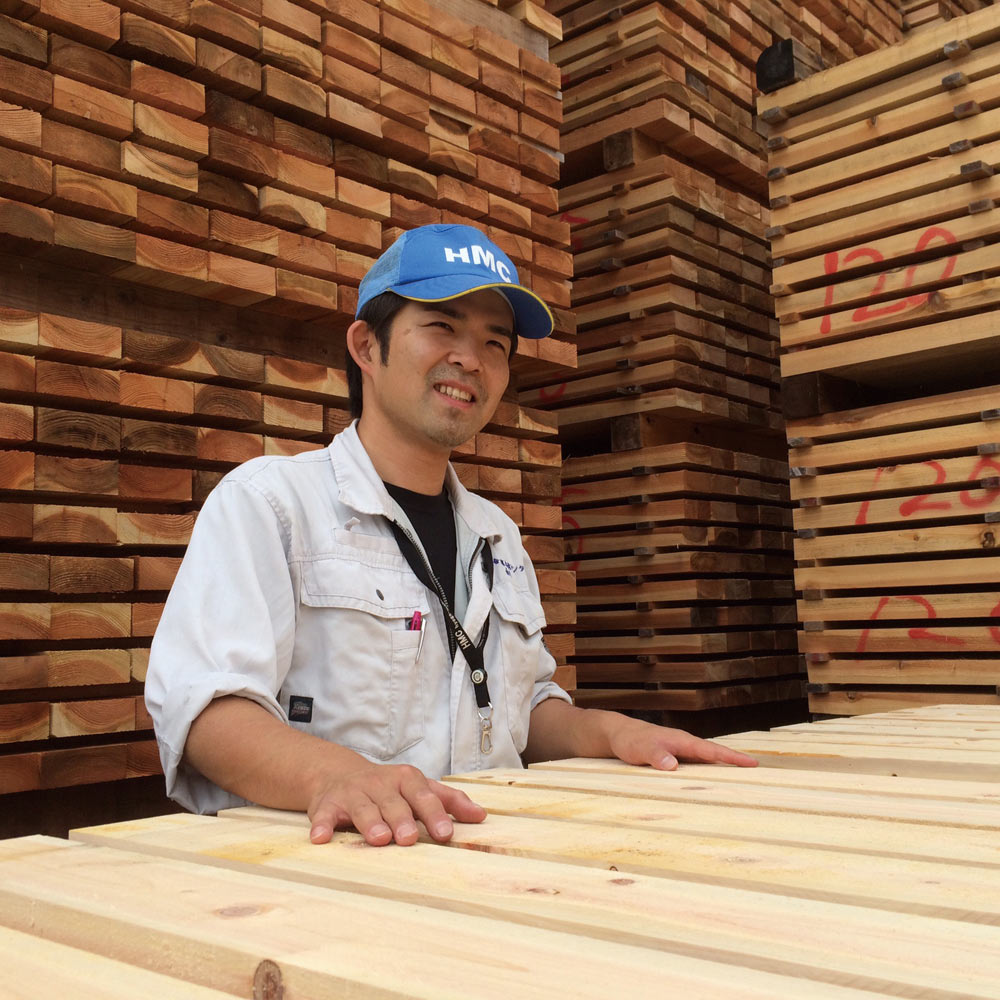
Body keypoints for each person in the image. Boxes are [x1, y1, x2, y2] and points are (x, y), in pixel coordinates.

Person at [145, 223, 756, 849]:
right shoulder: (272, 505)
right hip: (330, 869)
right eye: (442, 326)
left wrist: (610, 732)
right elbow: (205, 709)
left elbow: (520, 711)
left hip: (484, 861)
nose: (471, 359)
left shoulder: (497, 537)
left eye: (495, 343)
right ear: (366, 346)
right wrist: (334, 776)